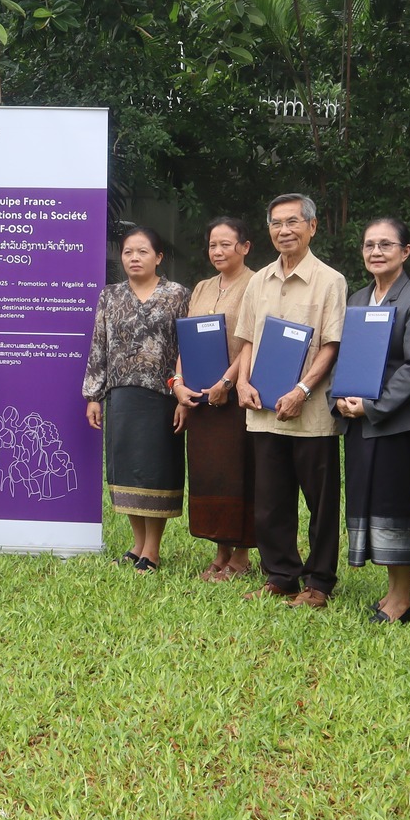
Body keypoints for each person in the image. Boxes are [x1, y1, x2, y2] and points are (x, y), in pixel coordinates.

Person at [231, 193, 348, 608]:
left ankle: (318, 582)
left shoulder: (330, 280)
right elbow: (246, 340)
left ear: (312, 227)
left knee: (320, 501)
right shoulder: (258, 281)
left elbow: (331, 345)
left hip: (311, 412)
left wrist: (302, 390)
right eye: (277, 223)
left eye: (293, 222)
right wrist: (243, 383)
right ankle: (281, 575)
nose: (284, 230)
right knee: (271, 500)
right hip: (262, 411)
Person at [333, 217, 410, 624]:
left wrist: (373, 407)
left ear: (405, 252)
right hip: (357, 421)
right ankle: (388, 591)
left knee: (395, 504)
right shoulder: (357, 299)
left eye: (386, 245)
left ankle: (401, 598)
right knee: (367, 500)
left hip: (397, 423)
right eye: (369, 245)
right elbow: (347, 357)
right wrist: (339, 398)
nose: (376, 252)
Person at [85, 226, 189, 572]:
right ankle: (137, 544)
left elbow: (186, 349)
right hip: (120, 396)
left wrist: (182, 394)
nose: (133, 258)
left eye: (142, 252)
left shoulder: (177, 295)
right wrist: (93, 396)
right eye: (128, 251)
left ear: (159, 257)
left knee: (155, 471)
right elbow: (99, 345)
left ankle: (153, 550)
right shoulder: (110, 296)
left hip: (162, 396)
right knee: (127, 470)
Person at [174, 216, 257, 582]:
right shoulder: (203, 286)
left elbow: (253, 340)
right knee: (209, 476)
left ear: (245, 247)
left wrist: (227, 381)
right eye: (212, 244)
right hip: (200, 401)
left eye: (226, 244)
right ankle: (220, 551)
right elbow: (186, 341)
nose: (218, 251)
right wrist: (178, 384)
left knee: (238, 474)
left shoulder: (257, 284)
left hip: (235, 398)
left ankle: (240, 555)